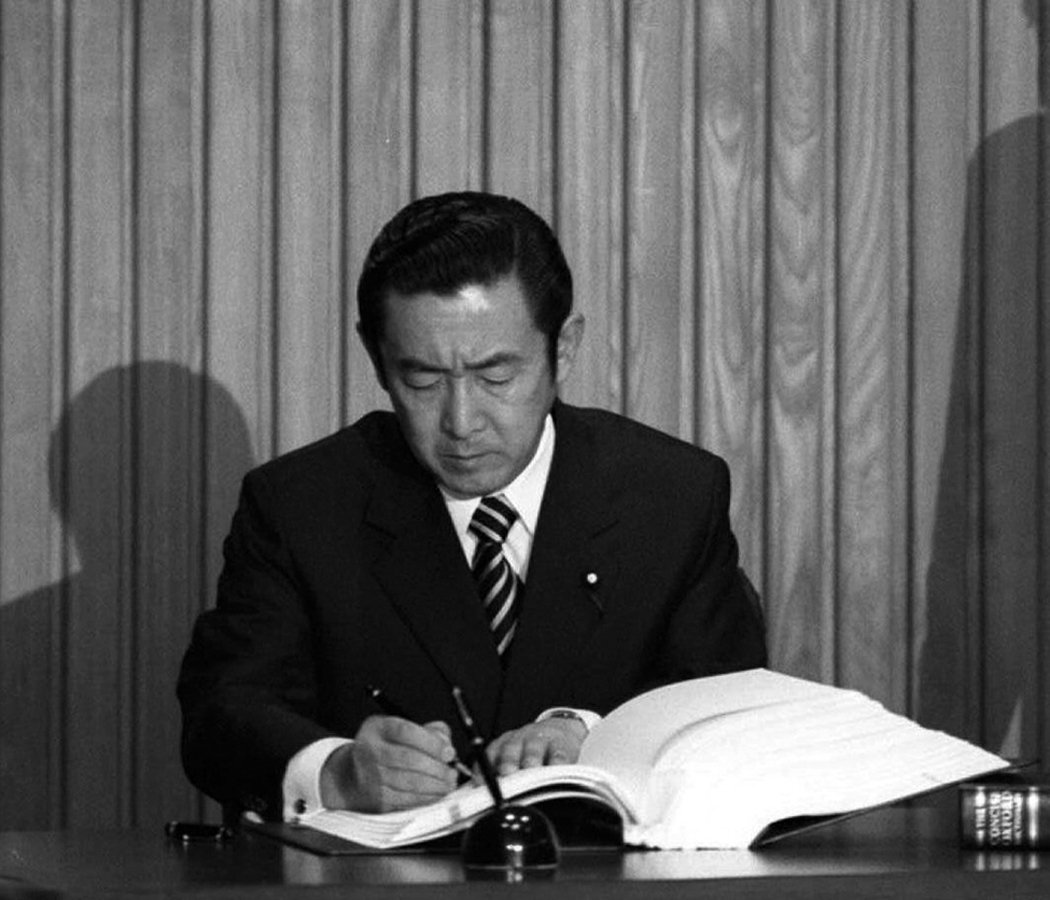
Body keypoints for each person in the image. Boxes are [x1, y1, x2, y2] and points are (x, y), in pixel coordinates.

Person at [177, 191, 767, 822]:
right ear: (376, 358)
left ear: (563, 348)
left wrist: (592, 734)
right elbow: (223, 713)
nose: (461, 422)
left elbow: (728, 711)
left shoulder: (672, 494)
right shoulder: (301, 506)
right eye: (423, 380)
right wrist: (335, 772)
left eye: (495, 377)